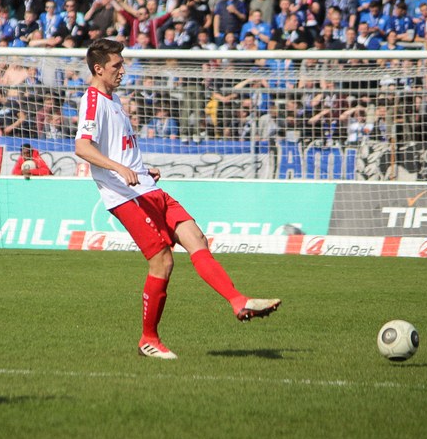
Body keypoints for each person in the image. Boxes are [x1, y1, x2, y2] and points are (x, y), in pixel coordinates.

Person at [74, 39, 281, 360]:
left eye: (122, 64)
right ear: (98, 69)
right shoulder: (92, 100)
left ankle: (238, 301)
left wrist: (141, 169)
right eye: (116, 65)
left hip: (146, 187)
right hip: (125, 195)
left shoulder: (113, 99)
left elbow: (118, 147)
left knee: (196, 237)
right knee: (162, 261)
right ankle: (148, 339)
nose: (122, 70)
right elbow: (82, 147)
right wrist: (120, 169)